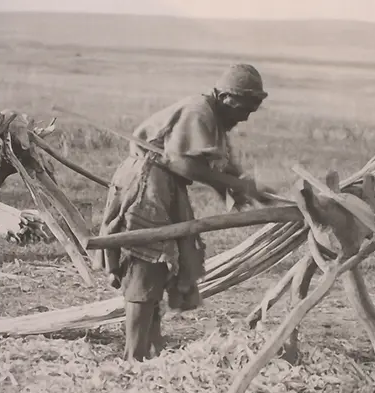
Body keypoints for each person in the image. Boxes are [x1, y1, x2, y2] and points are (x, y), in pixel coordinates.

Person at [94, 63, 273, 362]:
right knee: (146, 265)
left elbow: (219, 163)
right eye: (244, 108)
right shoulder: (199, 111)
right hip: (147, 185)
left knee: (161, 268)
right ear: (226, 97)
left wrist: (236, 189)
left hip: (165, 187)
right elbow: (183, 164)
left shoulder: (214, 118)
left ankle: (150, 348)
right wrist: (233, 184)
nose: (245, 117)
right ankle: (133, 357)